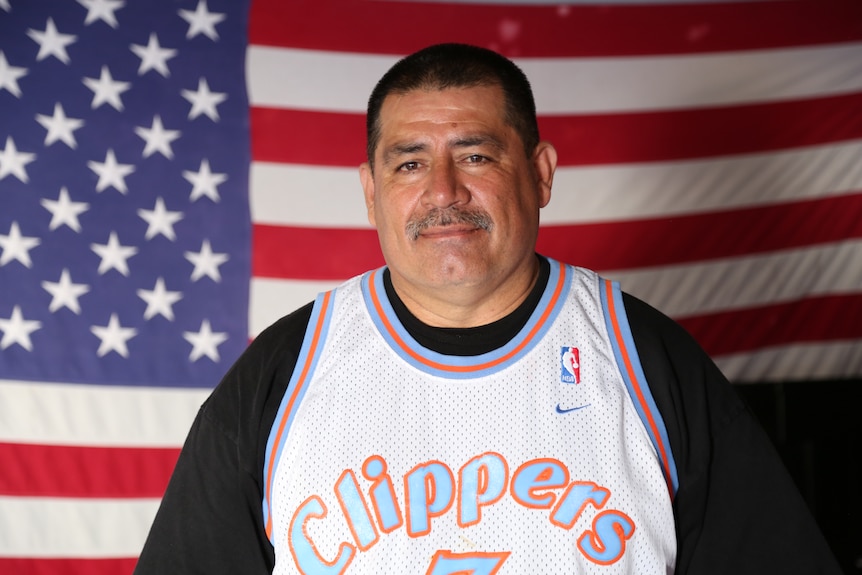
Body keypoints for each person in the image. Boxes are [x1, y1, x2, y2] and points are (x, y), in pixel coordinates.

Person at [134, 43, 841, 574]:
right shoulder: (282, 377)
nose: (444, 190)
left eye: (475, 155)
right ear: (371, 190)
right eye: (409, 162)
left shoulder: (644, 360)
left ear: (540, 174)